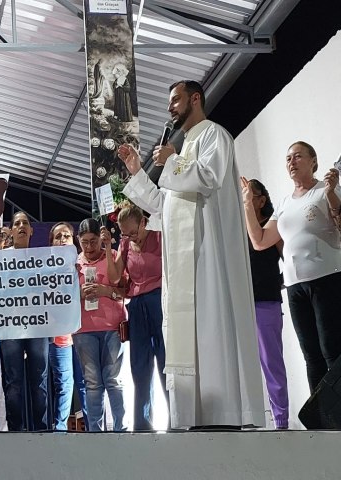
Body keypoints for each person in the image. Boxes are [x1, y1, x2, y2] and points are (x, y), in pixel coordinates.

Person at [118, 80, 264, 429]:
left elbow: (208, 178)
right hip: (184, 266)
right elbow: (162, 206)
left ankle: (223, 412)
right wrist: (138, 171)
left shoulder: (215, 135)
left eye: (175, 100)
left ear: (195, 99)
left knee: (212, 327)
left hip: (208, 256)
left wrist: (172, 160)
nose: (170, 108)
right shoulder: (182, 148)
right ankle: (193, 415)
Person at [242, 141, 341, 394]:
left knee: (333, 351)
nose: (292, 162)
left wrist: (331, 194)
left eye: (298, 156)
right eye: (288, 158)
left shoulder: (326, 190)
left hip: (327, 280)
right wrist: (247, 206)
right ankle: (322, 423)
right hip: (296, 287)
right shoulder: (285, 203)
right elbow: (260, 241)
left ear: (313, 161)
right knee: (312, 356)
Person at [104, 204, 167, 431]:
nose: (131, 237)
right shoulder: (125, 244)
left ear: (143, 223)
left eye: (134, 232)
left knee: (165, 360)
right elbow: (113, 278)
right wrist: (108, 250)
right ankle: (142, 422)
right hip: (137, 305)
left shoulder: (160, 237)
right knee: (139, 364)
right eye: (125, 233)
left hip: (160, 301)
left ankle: (176, 418)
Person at [240, 179, 289, 429]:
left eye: (249, 194)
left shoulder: (271, 229)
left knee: (271, 363)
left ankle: (280, 420)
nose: (244, 197)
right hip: (240, 307)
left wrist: (275, 283)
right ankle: (250, 418)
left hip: (266, 303)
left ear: (260, 200)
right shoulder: (236, 231)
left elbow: (288, 263)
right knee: (242, 365)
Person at [74, 218, 127, 432]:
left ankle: (121, 428)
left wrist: (107, 292)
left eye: (93, 241)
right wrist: (78, 294)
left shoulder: (112, 256)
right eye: (84, 242)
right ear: (78, 240)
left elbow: (125, 291)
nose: (89, 247)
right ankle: (95, 431)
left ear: (101, 238)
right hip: (83, 330)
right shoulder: (73, 264)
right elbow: (60, 297)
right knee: (92, 383)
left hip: (112, 328)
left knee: (113, 380)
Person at [0, 212, 49, 431]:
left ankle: (42, 430)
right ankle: (15, 432)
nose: (21, 226)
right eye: (16, 223)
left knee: (39, 382)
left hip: (38, 325)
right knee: (13, 383)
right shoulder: (0, 259)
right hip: (10, 327)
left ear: (31, 231)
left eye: (25, 223)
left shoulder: (42, 259)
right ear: (10, 231)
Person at [48, 222, 87, 431]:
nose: (62, 239)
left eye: (66, 236)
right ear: (51, 243)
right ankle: (60, 431)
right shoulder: (44, 270)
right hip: (60, 337)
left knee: (85, 385)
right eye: (58, 236)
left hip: (83, 335)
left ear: (74, 242)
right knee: (64, 385)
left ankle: (93, 430)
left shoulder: (82, 266)